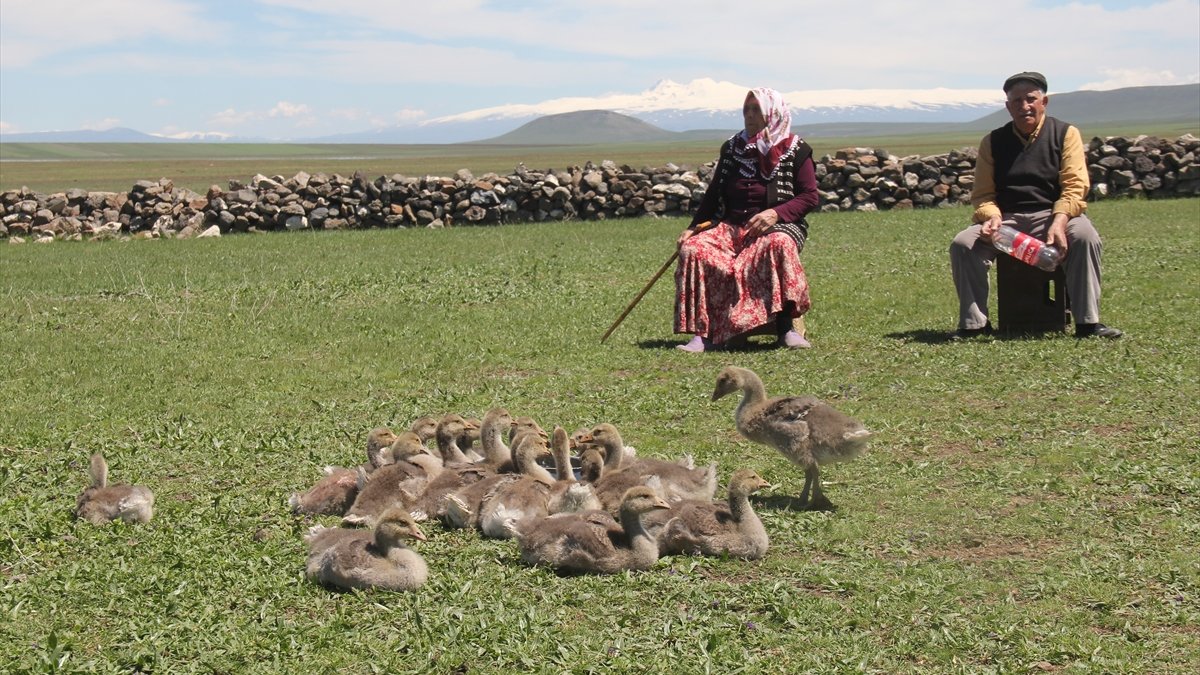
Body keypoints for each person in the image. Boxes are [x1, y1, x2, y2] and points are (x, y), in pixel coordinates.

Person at [950, 71, 1122, 339]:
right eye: (1016, 101)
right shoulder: (992, 142)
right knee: (963, 244)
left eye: (1030, 98)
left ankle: (1088, 323)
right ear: (1008, 107)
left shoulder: (1065, 134)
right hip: (1007, 219)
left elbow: (1075, 186)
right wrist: (991, 217)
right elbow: (983, 194)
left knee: (1085, 237)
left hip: (1054, 214)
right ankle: (974, 325)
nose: (1024, 106)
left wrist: (1061, 218)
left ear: (1045, 102)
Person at [674, 87, 820, 352]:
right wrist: (693, 227)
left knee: (778, 244)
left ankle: (785, 327)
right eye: (746, 110)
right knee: (694, 249)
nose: (749, 116)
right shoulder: (732, 147)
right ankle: (704, 334)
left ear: (772, 114)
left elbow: (809, 196)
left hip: (778, 225)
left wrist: (775, 213)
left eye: (756, 110)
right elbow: (714, 192)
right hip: (731, 226)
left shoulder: (796, 149)